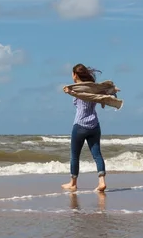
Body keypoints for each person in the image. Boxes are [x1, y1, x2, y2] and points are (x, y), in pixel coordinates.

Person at [62, 63, 107, 192]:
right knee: (97, 154)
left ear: (75, 75)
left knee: (75, 155)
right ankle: (102, 181)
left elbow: (81, 96)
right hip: (94, 125)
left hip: (80, 125)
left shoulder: (76, 89)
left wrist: (70, 92)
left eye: (72, 73)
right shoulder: (94, 88)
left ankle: (73, 183)